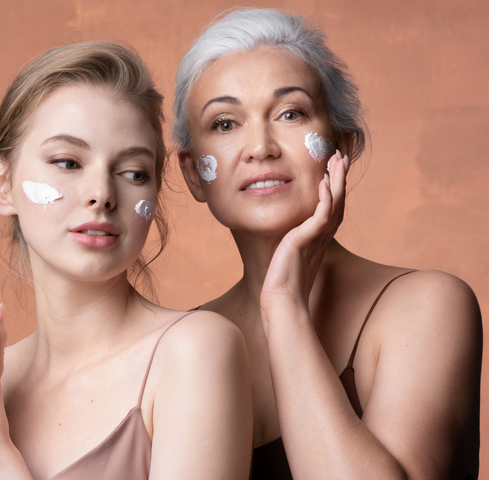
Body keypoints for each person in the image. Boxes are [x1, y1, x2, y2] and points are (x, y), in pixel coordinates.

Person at [0, 41, 253, 480]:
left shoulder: (195, 351)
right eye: (68, 162)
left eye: (134, 172)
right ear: (3, 186)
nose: (101, 193)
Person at [174, 9, 482, 479]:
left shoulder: (427, 306)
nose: (260, 146)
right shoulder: (181, 343)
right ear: (194, 173)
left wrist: (284, 305)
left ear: (343, 146)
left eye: (290, 113)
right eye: (224, 124)